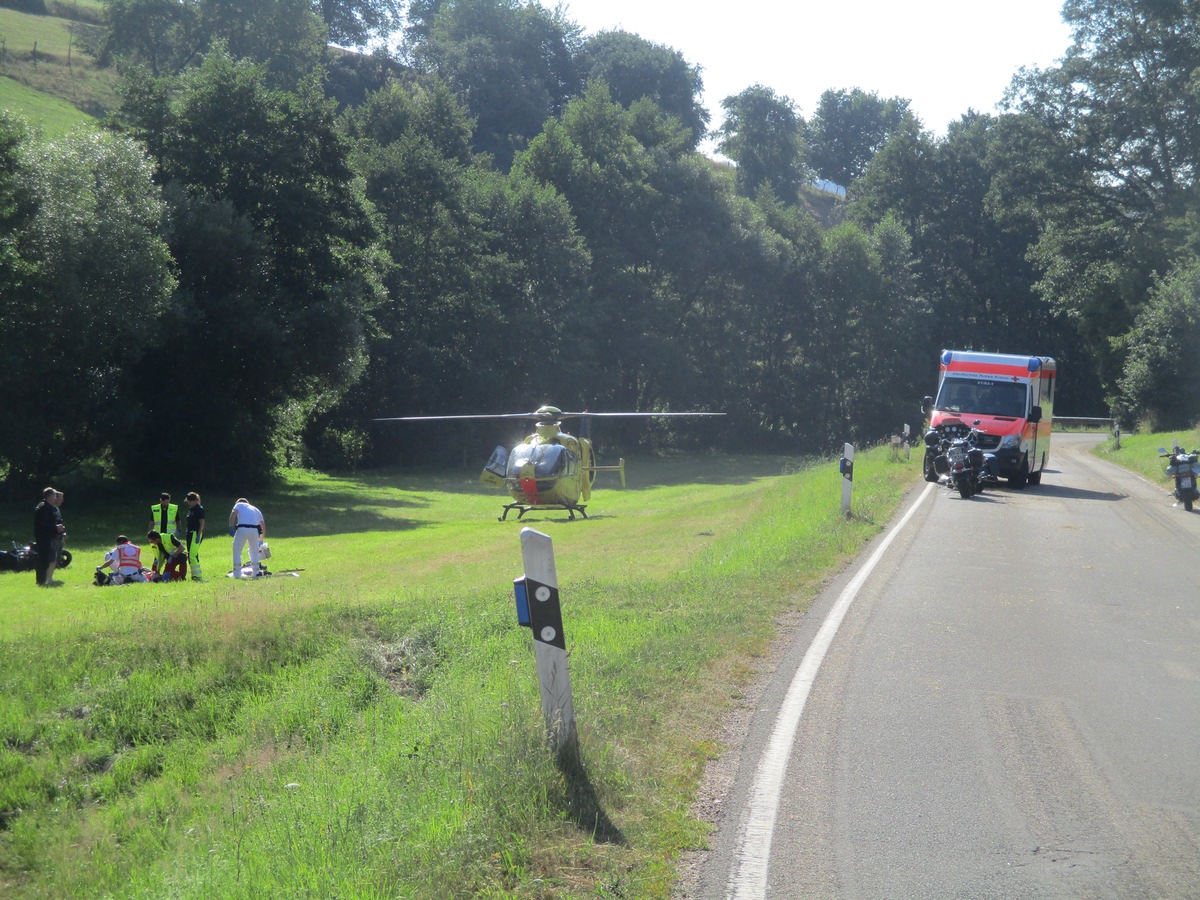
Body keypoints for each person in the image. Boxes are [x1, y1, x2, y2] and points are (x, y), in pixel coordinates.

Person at [33, 486, 64, 586]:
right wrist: (55, 527)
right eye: (55, 495)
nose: (56, 497)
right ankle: (41, 581)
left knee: (48, 559)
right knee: (43, 559)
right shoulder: (43, 507)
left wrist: (58, 527)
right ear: (50, 496)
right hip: (44, 537)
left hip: (50, 536)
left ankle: (43, 580)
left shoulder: (50, 507)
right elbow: (42, 524)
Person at [229, 497, 266, 578]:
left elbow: (233, 513)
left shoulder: (238, 504)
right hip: (254, 530)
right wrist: (261, 539)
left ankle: (237, 573)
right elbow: (262, 526)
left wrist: (231, 526)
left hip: (242, 528)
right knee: (254, 552)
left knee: (237, 551)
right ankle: (256, 572)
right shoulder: (255, 509)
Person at [44, 489, 66, 585]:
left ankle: (50, 577)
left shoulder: (56, 510)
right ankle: (48, 578)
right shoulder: (48, 509)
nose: (62, 500)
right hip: (52, 537)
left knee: (56, 557)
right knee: (51, 558)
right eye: (60, 498)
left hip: (58, 536)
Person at [185, 491, 205, 580]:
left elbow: (202, 523)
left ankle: (197, 575)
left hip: (195, 533)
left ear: (194, 501)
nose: (188, 503)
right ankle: (194, 575)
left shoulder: (199, 509)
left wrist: (198, 535)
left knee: (192, 555)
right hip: (189, 533)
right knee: (191, 555)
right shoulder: (191, 509)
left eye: (190, 501)